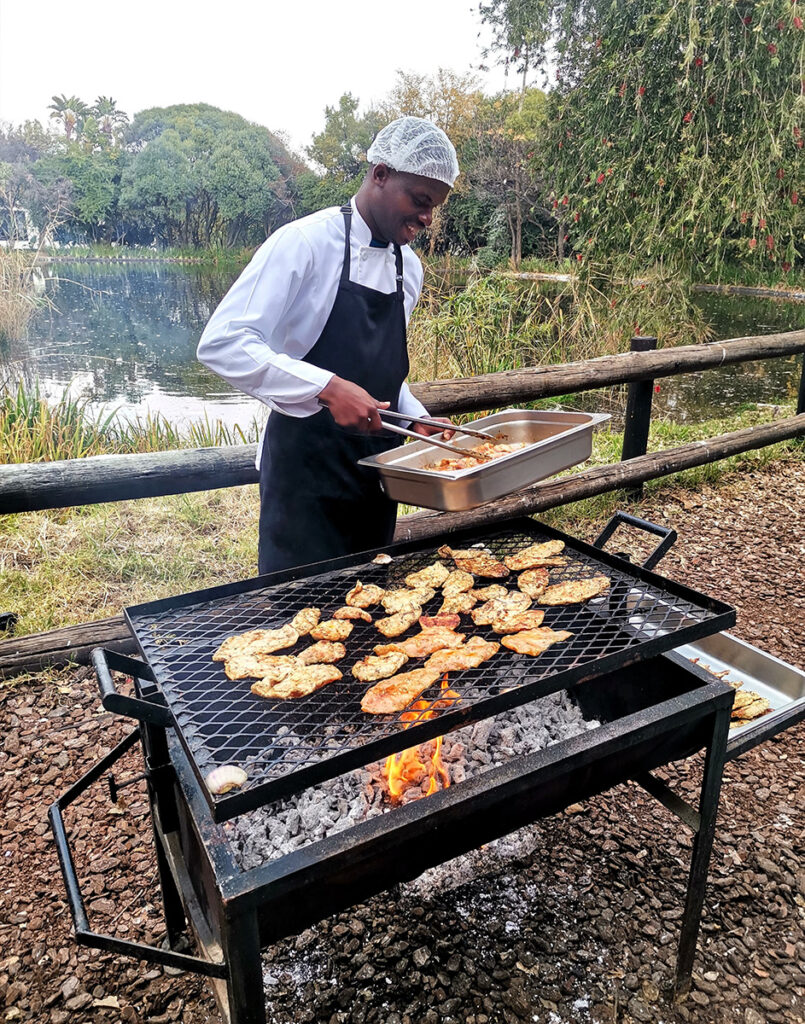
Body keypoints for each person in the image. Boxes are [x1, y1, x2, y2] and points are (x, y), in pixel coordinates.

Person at [197, 116, 459, 574]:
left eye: (434, 206)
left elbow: (387, 381)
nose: (427, 218)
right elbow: (223, 342)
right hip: (304, 480)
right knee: (293, 621)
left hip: (375, 479)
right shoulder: (304, 244)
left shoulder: (408, 269)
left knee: (368, 612)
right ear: (380, 174)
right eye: (419, 200)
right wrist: (327, 387)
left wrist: (415, 421)